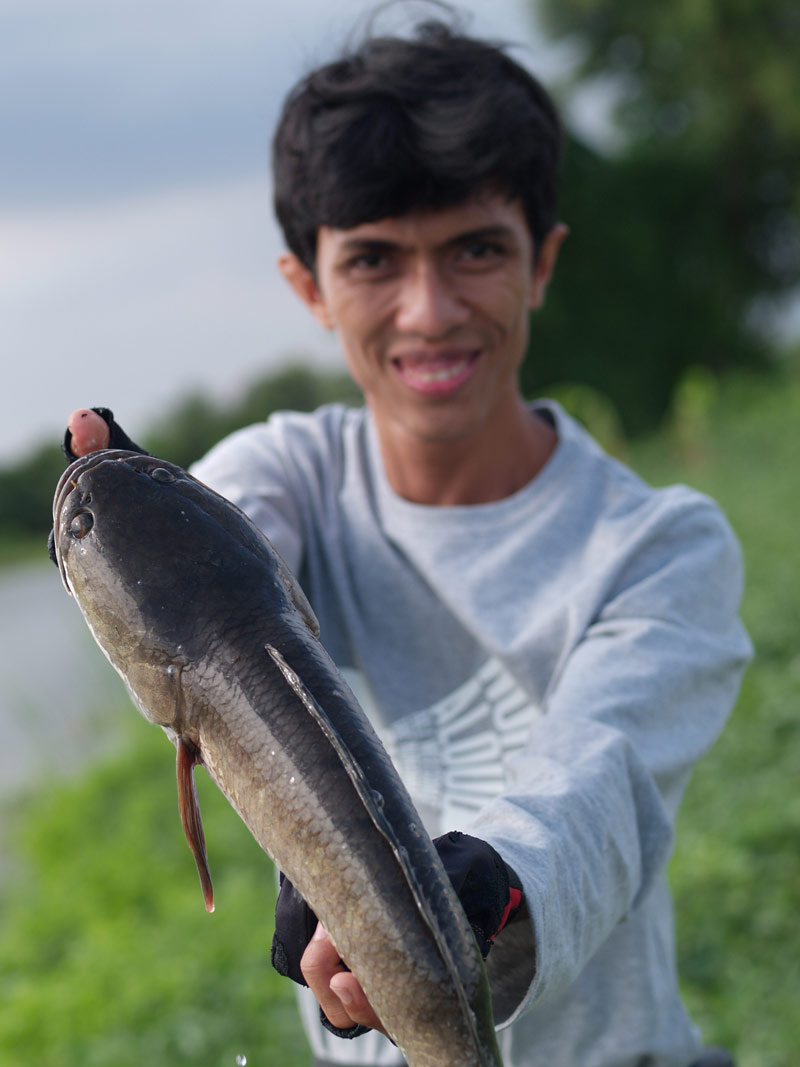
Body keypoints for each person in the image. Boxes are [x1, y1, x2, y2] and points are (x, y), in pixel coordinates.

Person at [62, 12, 751, 1067]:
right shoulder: (288, 472)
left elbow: (600, 780)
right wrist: (153, 509)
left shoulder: (658, 546)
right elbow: (229, 580)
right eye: (376, 259)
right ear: (307, 285)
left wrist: (480, 891)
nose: (427, 310)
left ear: (542, 261)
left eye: (475, 249)